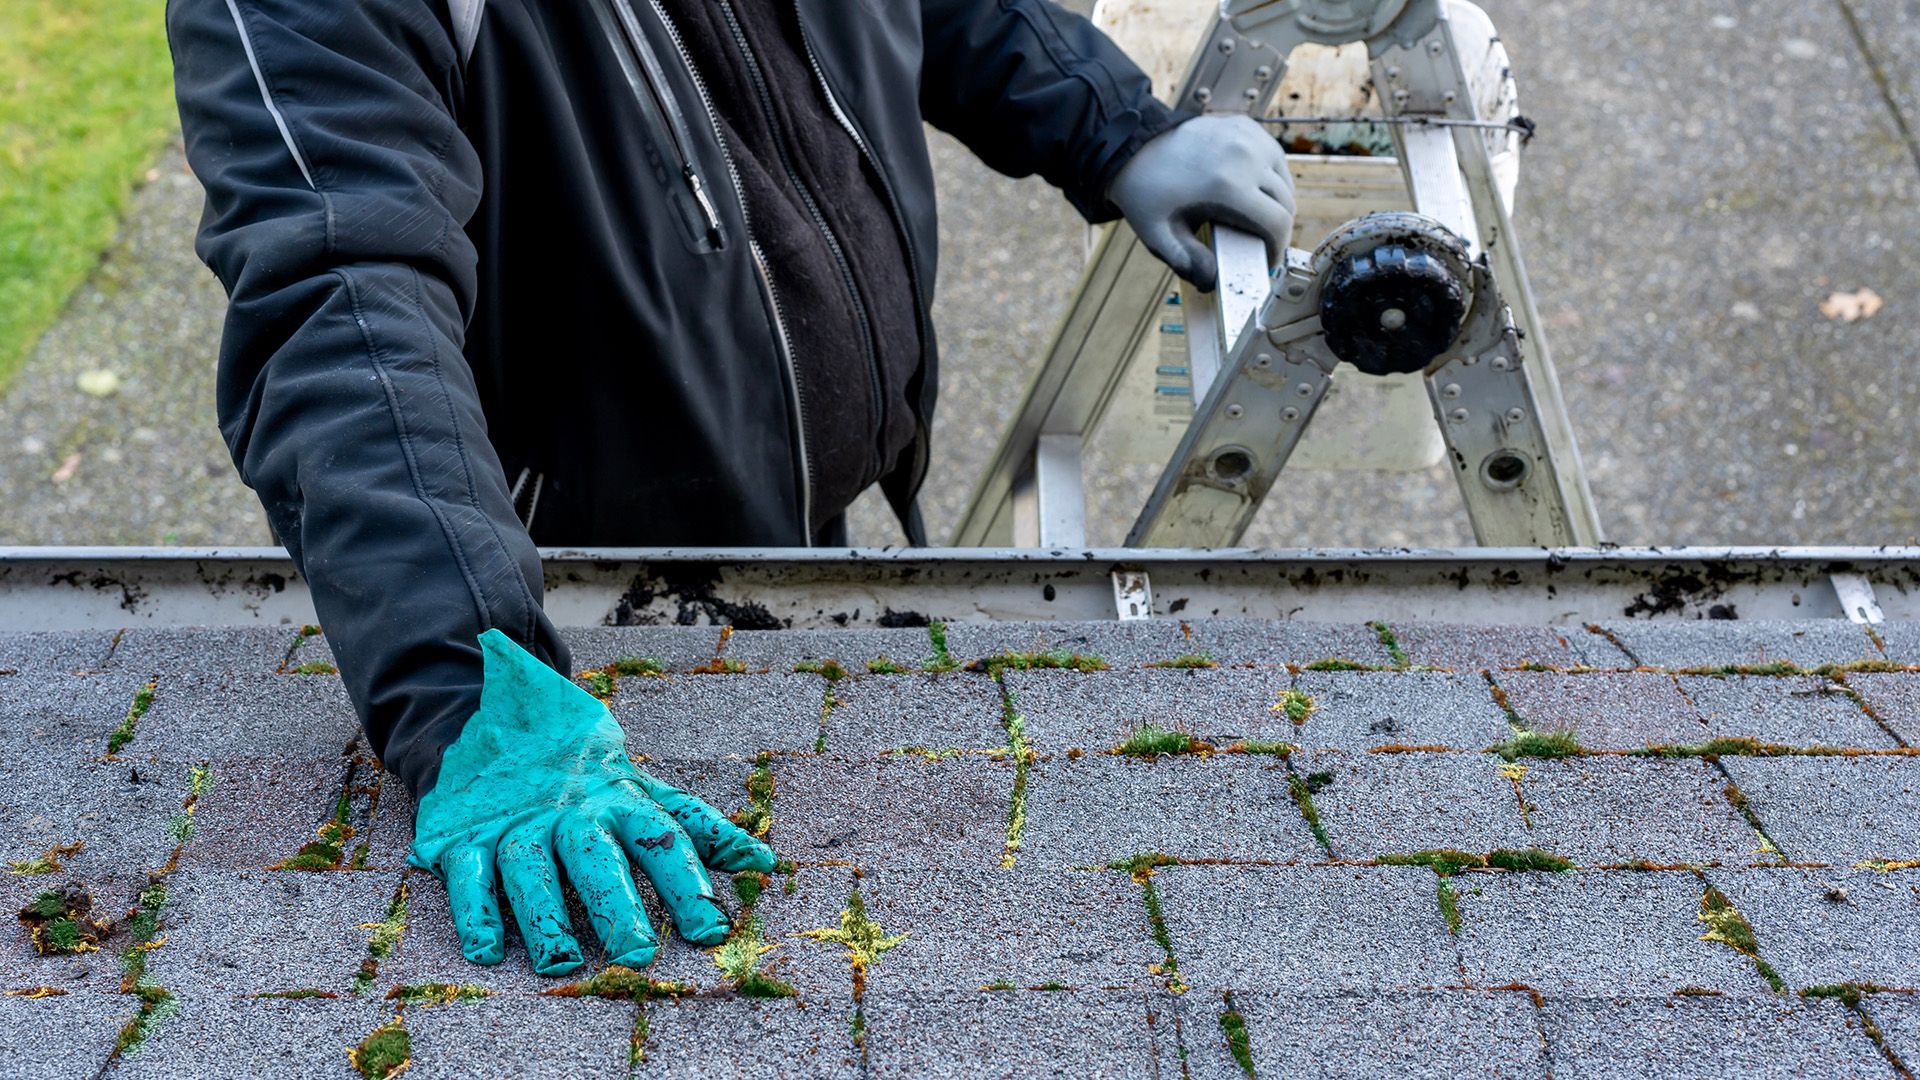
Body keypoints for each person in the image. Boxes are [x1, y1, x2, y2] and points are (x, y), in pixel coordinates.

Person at [168, 0, 1295, 975]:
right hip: (567, 609)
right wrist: (471, 681)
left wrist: (1107, 124)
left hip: (807, 502)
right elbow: (340, 294)